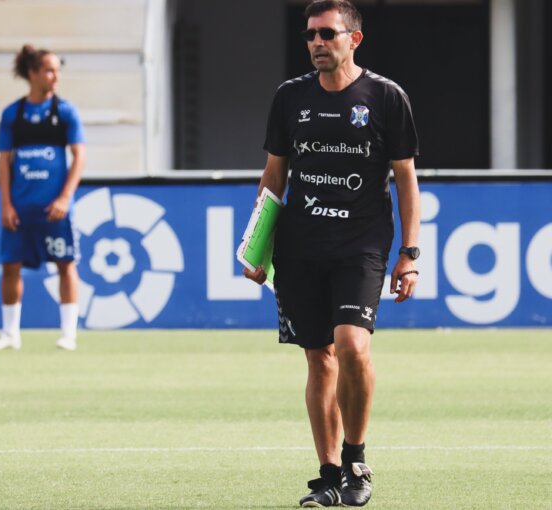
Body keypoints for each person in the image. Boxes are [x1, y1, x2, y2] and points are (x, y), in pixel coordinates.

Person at [243, 1, 420, 507]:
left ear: (353, 39)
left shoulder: (386, 98)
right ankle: (327, 477)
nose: (317, 43)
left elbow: (406, 180)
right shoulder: (289, 98)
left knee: (353, 347)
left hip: (361, 246)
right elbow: (274, 177)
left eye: (327, 33)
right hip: (299, 248)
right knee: (318, 361)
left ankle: (356, 459)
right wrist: (257, 245)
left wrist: (409, 253)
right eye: (310, 36)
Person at [0, 45, 86, 352]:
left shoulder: (65, 112)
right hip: (20, 208)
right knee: (10, 266)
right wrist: (5, 204)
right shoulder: (13, 115)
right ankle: (9, 334)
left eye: (57, 70)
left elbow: (79, 156)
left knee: (65, 263)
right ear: (33, 73)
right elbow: (4, 162)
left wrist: (65, 198)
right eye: (49, 70)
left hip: (54, 210)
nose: (55, 76)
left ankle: (69, 334)